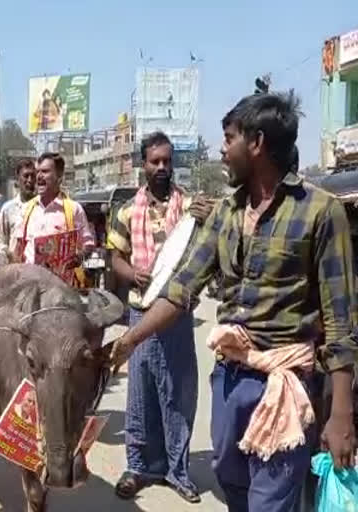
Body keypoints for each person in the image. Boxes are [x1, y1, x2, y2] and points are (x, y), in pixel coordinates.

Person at [111, 92, 358, 512]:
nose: (222, 149)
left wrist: (342, 414)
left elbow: (340, 321)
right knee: (230, 480)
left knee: (271, 500)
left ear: (257, 143)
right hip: (230, 381)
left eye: (229, 139)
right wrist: (130, 340)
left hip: (287, 384)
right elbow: (182, 286)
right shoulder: (226, 212)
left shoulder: (320, 213)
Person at [108, 132, 213, 504]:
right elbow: (114, 257)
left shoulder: (189, 208)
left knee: (178, 394)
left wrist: (206, 219)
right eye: (155, 161)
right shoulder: (125, 211)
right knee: (140, 396)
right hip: (140, 310)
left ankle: (177, 471)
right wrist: (131, 273)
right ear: (143, 164)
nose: (163, 168)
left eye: (167, 161)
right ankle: (138, 467)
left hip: (177, 314)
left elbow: (207, 248)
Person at [17, 153, 94, 286]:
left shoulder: (74, 210)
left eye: (45, 171)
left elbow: (88, 246)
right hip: (30, 287)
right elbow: (18, 250)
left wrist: (78, 258)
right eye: (38, 172)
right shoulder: (27, 210)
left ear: (59, 177)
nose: (39, 176)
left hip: (62, 289)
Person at [0, 159, 36, 262]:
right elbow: (0, 242)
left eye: (33, 176)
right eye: (26, 176)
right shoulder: (8, 209)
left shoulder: (42, 208)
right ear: (18, 179)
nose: (30, 180)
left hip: (38, 271)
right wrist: (9, 255)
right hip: (15, 271)